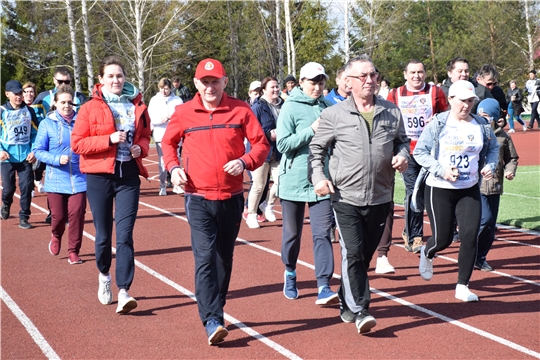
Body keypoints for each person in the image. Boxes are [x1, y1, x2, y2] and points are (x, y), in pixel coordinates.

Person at [161, 58, 269, 345]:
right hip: (197, 197)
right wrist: (173, 169)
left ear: (224, 81)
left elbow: (260, 144)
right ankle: (212, 319)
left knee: (224, 257)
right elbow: (168, 144)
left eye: (215, 81)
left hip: (231, 197)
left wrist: (245, 161)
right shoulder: (184, 112)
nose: (210, 87)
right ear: (196, 83)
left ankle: (215, 307)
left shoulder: (241, 109)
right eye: (205, 82)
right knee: (205, 257)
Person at [309, 54, 409, 334]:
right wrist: (319, 177)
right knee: (352, 253)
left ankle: (346, 297)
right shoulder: (333, 115)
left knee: (363, 257)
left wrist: (403, 156)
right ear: (348, 82)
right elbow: (316, 150)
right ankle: (361, 309)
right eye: (363, 76)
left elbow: (402, 143)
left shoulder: (391, 112)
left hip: (380, 196)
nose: (370, 80)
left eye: (373, 75)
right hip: (345, 197)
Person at [72, 56, 151, 314]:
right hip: (99, 176)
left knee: (125, 234)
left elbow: (145, 136)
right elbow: (78, 144)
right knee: (104, 235)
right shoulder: (89, 108)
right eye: (111, 76)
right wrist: (108, 138)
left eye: (119, 76)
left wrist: (142, 148)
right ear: (101, 80)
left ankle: (125, 290)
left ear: (125, 78)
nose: (116, 80)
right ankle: (104, 275)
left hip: (128, 174)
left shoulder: (138, 104)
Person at [413, 80, 499, 302]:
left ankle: (463, 285)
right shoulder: (438, 124)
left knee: (470, 236)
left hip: (469, 188)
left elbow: (493, 149)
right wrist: (441, 170)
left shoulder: (481, 125)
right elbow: (420, 153)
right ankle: (428, 252)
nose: (466, 105)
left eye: (470, 101)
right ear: (450, 99)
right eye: (462, 101)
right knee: (443, 240)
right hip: (439, 188)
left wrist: (489, 165)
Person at [277, 62, 338, 307]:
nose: (317, 87)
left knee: (323, 233)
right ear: (301, 82)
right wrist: (311, 130)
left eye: (321, 82)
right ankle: (290, 272)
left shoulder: (329, 106)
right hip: (293, 179)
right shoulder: (289, 108)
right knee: (292, 234)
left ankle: (323, 284)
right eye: (312, 82)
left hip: (321, 180)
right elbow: (282, 145)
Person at [385, 60, 448, 269]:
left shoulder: (435, 92)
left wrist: (437, 119)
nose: (416, 76)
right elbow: (387, 120)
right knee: (414, 191)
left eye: (420, 72)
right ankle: (415, 236)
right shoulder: (395, 94)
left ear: (425, 73)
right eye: (412, 72)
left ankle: (417, 231)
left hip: (430, 152)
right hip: (408, 151)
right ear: (405, 74)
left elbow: (447, 115)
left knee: (430, 192)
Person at [33, 85, 87, 264]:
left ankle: (73, 251)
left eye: (69, 102)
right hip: (56, 178)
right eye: (62, 102)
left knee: (77, 214)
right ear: (55, 103)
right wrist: (56, 159)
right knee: (59, 216)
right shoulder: (47, 124)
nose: (66, 105)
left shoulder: (82, 121)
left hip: (79, 178)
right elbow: (38, 151)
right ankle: (56, 235)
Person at [475, 98, 518, 271]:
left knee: (491, 227)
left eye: (486, 115)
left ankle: (480, 257)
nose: (482, 118)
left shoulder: (503, 137)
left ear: (493, 117)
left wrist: (510, 170)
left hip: (495, 186)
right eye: (479, 115)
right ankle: (470, 252)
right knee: (484, 220)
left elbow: (512, 158)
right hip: (476, 186)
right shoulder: (472, 132)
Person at [245, 76, 283, 228]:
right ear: (264, 90)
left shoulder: (284, 105)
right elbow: (251, 129)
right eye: (272, 87)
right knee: (259, 185)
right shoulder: (258, 107)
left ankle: (268, 204)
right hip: (261, 151)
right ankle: (252, 214)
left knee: (282, 183)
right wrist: (268, 135)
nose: (275, 90)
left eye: (276, 87)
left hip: (279, 151)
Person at [0, 80, 38, 229]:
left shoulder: (29, 111)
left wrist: (34, 150)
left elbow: (36, 133)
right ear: (7, 94)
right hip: (7, 157)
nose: (19, 96)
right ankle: (6, 203)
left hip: (25, 157)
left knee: (27, 187)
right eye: (15, 94)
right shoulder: (2, 111)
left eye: (20, 93)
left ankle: (24, 217)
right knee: (9, 189)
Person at [147, 78, 183, 196]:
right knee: (162, 162)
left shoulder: (177, 100)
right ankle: (162, 185)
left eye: (166, 88)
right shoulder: (154, 100)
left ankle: (176, 185)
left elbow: (182, 116)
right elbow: (150, 118)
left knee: (176, 159)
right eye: (162, 88)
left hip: (175, 135)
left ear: (171, 88)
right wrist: (161, 119)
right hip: (160, 135)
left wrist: (172, 118)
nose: (164, 91)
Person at [23, 82, 47, 195]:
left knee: (40, 163)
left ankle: (37, 179)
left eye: (31, 92)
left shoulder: (40, 106)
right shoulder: (19, 107)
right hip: (24, 140)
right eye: (26, 92)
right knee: (28, 163)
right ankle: (31, 187)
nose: (29, 94)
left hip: (39, 138)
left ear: (34, 94)